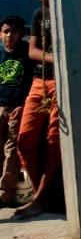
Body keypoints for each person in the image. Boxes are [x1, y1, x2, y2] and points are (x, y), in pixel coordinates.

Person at [15, 0, 62, 219]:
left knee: (54, 141)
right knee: (25, 139)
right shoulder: (38, 15)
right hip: (40, 81)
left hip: (62, 82)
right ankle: (39, 194)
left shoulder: (68, 12)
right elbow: (33, 50)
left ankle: (42, 198)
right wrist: (54, 59)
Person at [0, 15, 32, 207]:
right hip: (1, 105)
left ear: (21, 34)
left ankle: (5, 191)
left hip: (18, 106)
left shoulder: (26, 52)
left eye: (14, 32)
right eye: (6, 31)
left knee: (11, 148)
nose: (9, 35)